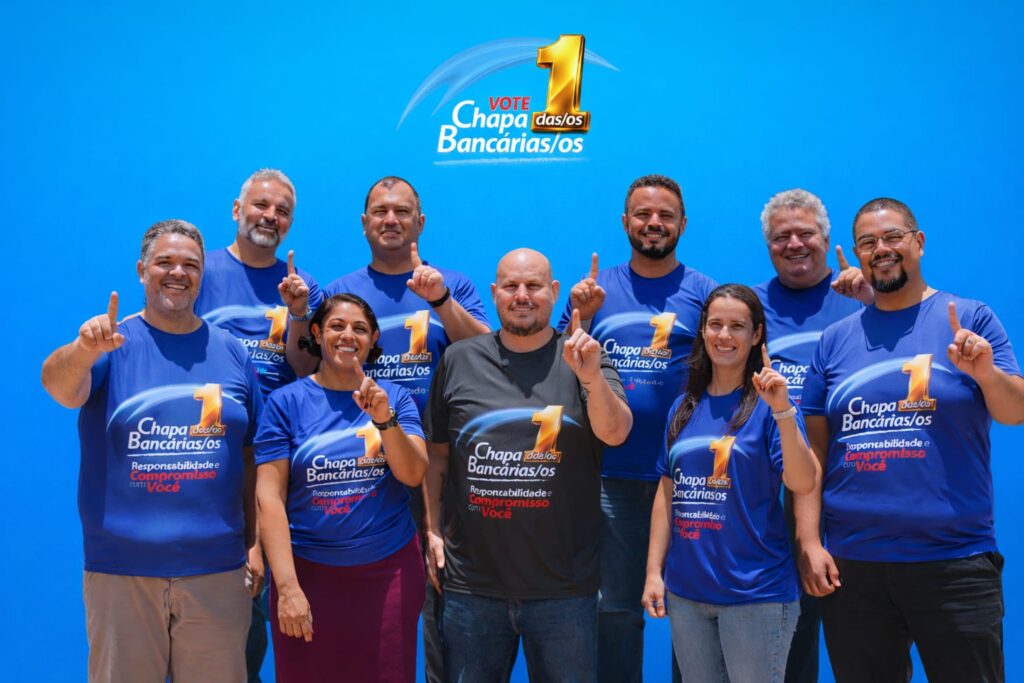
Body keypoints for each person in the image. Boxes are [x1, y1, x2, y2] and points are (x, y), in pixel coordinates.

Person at [796, 198, 1024, 682]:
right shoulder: (834, 340)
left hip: (954, 562)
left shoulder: (971, 318)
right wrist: (810, 541)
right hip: (854, 567)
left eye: (893, 237)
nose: (881, 249)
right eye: (868, 242)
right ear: (857, 255)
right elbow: (814, 454)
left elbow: (1015, 411)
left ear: (918, 242)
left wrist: (985, 374)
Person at [41, 220, 262, 683]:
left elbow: (249, 457)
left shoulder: (234, 353)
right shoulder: (110, 345)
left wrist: (254, 544)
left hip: (217, 574)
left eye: (190, 265)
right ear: (142, 270)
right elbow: (59, 388)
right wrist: (82, 350)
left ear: (202, 275)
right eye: (165, 262)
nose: (177, 272)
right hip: (123, 573)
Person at [423, 248, 632, 682]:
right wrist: (432, 530)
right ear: (494, 293)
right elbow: (437, 454)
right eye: (511, 286)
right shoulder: (458, 360)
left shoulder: (584, 359)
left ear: (554, 292)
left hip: (564, 591)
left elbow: (615, 433)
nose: (522, 296)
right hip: (472, 588)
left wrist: (591, 377)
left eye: (534, 286)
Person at [323, 175, 489, 682]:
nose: (391, 220)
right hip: (363, 468)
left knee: (445, 602)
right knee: (377, 612)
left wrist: (439, 301)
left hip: (440, 465)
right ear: (364, 223)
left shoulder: (452, 283)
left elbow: (487, 353)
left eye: (402, 211)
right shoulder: (339, 293)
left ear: (421, 222)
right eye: (380, 211)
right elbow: (311, 373)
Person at [559, 174, 716, 682]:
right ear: (625, 222)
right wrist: (581, 318)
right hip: (612, 478)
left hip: (688, 481)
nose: (654, 223)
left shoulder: (705, 294)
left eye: (665, 215)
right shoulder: (594, 292)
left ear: (683, 224)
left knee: (694, 609)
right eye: (643, 214)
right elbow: (560, 369)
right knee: (615, 612)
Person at [642, 284, 820, 683]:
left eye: (737, 326)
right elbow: (668, 494)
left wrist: (783, 411)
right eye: (715, 324)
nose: (724, 335)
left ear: (756, 335)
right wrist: (654, 571)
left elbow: (802, 481)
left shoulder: (772, 406)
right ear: (703, 330)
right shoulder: (682, 407)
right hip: (687, 595)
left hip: (755, 596)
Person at [255, 293, 428, 683]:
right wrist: (288, 587)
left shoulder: (395, 398)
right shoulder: (285, 403)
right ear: (317, 333)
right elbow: (269, 497)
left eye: (359, 329)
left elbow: (413, 473)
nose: (348, 335)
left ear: (373, 339)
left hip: (388, 575)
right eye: (336, 326)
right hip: (307, 577)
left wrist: (384, 421)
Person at [194, 168, 323, 681]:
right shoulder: (198, 271)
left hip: (276, 463)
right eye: (261, 205)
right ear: (237, 209)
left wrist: (299, 313)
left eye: (282, 211)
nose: (270, 216)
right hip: (209, 457)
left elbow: (307, 370)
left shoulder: (302, 287)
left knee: (256, 613)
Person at [752, 188, 868, 683]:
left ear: (826, 237)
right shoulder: (750, 306)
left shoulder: (860, 297)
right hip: (773, 488)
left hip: (854, 485)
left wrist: (872, 300)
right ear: (768, 246)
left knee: (861, 635)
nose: (794, 244)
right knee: (788, 634)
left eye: (806, 233)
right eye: (782, 237)